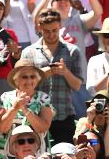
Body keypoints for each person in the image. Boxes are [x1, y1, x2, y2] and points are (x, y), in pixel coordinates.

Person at [21, 10, 83, 145]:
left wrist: (65, 72)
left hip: (63, 114)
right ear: (39, 28)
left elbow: (77, 85)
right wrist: (44, 73)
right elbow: (21, 84)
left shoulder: (73, 51)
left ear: (60, 26)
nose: (51, 34)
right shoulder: (28, 52)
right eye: (47, 31)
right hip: (35, 114)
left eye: (54, 30)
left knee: (65, 158)